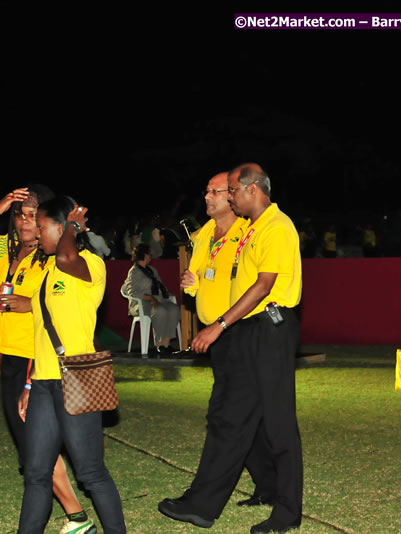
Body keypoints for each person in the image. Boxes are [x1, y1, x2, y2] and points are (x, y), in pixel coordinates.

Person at [159, 163, 303, 533]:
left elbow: (264, 284)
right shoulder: (253, 228)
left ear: (250, 189)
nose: (227, 199)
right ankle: (223, 499)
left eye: (229, 192)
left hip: (268, 327)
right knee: (237, 416)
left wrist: (219, 325)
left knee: (278, 423)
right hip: (247, 329)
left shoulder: (276, 226)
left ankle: (287, 513)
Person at [17, 197, 126, 533]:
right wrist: (28, 383)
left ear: (62, 227)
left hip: (76, 381)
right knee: (36, 472)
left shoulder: (89, 265)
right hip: (43, 384)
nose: (36, 232)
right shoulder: (47, 269)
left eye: (43, 225)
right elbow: (41, 332)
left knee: (91, 473)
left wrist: (73, 229)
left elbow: (67, 256)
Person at [0, 187, 98, 534]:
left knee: (34, 451)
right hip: (7, 355)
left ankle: (77, 516)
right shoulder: (8, 252)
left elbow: (50, 303)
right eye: (18, 214)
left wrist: (18, 303)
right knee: (32, 449)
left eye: (32, 215)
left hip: (32, 357)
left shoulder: (48, 257)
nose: (25, 222)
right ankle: (76, 517)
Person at [180, 172, 277, 508]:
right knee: (245, 416)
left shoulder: (248, 230)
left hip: (240, 330)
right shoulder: (205, 234)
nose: (207, 197)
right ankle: (269, 485)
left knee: (227, 415)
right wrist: (190, 283)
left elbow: (259, 281)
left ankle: (204, 500)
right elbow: (198, 279)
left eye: (215, 191)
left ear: (233, 195)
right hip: (215, 335)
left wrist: (221, 324)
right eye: (206, 191)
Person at [122, 243, 180, 354]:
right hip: (142, 302)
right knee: (160, 311)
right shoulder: (134, 271)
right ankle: (159, 344)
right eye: (149, 254)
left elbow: (160, 284)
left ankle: (166, 343)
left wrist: (166, 292)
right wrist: (149, 298)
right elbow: (132, 291)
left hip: (158, 299)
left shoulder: (152, 270)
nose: (151, 256)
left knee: (174, 309)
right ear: (144, 255)